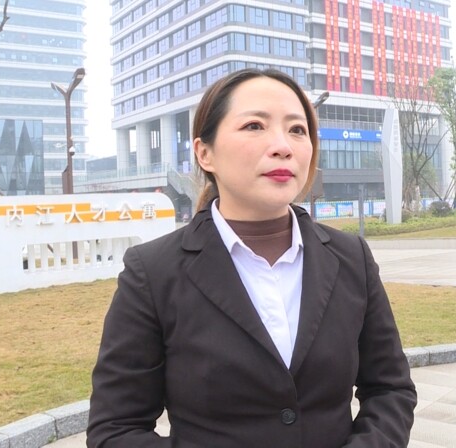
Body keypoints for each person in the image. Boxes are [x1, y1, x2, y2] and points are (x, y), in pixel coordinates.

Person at [87, 68, 417, 448]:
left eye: (297, 130)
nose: (283, 146)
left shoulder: (350, 257)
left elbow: (390, 389)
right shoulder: (153, 271)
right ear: (205, 153)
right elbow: (115, 430)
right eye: (255, 126)